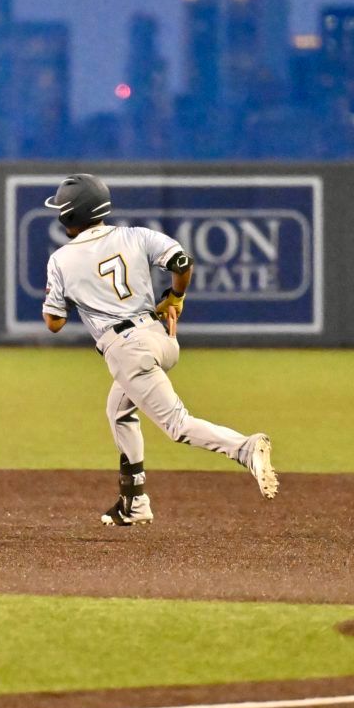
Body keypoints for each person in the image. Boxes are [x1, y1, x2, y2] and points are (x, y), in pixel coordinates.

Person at [40, 173, 278, 526]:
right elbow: (182, 263)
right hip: (160, 338)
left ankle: (244, 448)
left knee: (177, 425)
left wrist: (80, 296)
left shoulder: (61, 260)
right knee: (118, 410)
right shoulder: (136, 235)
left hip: (127, 350)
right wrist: (175, 296)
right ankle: (133, 503)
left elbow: (53, 322)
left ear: (70, 216)